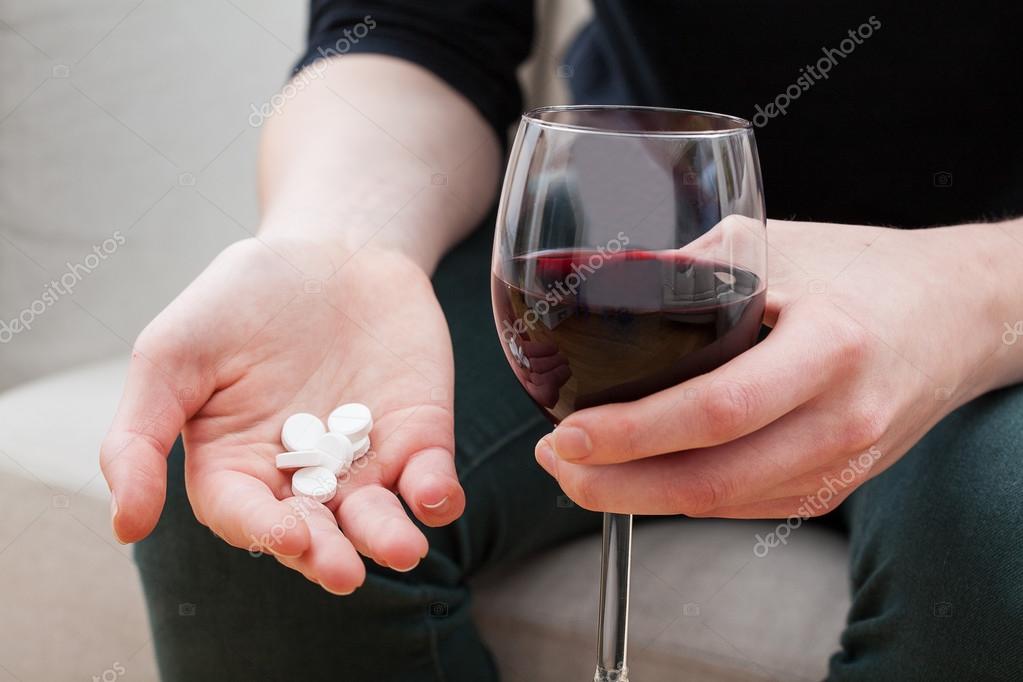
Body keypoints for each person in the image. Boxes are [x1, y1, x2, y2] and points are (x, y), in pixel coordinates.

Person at [99, 2, 1023, 680]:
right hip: (624, 243)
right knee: (264, 482)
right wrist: (333, 242)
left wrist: (971, 292)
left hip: (998, 295)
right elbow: (414, 32)